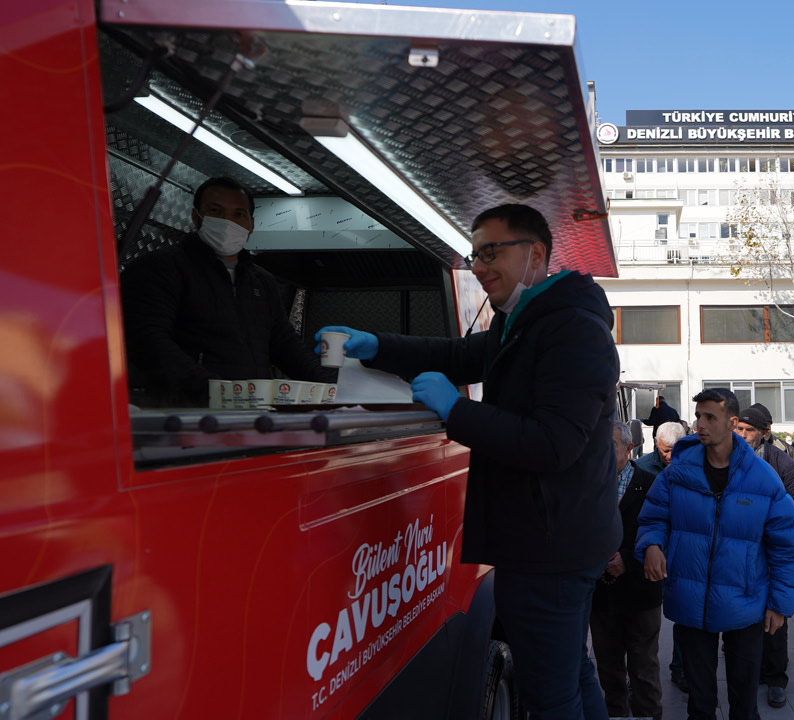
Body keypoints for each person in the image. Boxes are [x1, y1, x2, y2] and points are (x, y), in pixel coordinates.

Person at [317, 203, 620, 719]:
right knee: (570, 673)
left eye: (491, 252)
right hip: (551, 539)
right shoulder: (524, 322)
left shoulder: (572, 330)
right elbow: (456, 355)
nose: (478, 266)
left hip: (550, 551)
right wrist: (375, 347)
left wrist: (457, 410)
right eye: (474, 254)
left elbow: (553, 445)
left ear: (536, 254)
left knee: (550, 695)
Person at [637, 389, 794, 720]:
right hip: (690, 600)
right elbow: (653, 517)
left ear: (731, 422)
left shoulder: (763, 479)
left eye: (710, 417)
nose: (700, 424)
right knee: (699, 703)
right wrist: (652, 545)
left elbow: (788, 548)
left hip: (745, 603)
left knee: (743, 704)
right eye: (698, 416)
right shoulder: (678, 473)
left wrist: (780, 604)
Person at [121, 176, 335, 406]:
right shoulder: (161, 267)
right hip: (182, 413)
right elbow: (148, 340)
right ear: (197, 216)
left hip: (249, 412)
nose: (227, 221)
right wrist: (214, 390)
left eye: (238, 214)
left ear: (251, 224)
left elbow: (285, 343)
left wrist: (332, 391)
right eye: (216, 211)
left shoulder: (262, 281)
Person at [734, 403, 794, 709]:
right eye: (738, 428)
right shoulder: (723, 459)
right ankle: (750, 673)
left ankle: (776, 679)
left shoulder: (780, 462)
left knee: (774, 620)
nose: (742, 435)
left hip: (769, 553)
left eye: (749, 430)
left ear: (764, 434)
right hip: (737, 554)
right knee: (743, 621)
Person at [591, 421, 663, 719]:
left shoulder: (651, 484)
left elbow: (661, 531)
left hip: (640, 593)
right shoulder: (587, 485)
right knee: (608, 670)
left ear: (629, 448)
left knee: (643, 668)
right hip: (600, 595)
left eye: (612, 446)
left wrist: (628, 560)